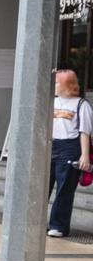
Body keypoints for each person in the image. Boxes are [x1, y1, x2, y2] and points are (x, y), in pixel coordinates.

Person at [48, 69, 90, 238]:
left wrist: (84, 155)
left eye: (58, 82)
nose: (54, 85)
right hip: (50, 146)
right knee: (43, 186)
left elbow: (84, 132)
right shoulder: (51, 101)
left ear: (67, 85)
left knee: (64, 188)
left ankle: (59, 225)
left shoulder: (81, 105)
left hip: (70, 148)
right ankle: (34, 221)